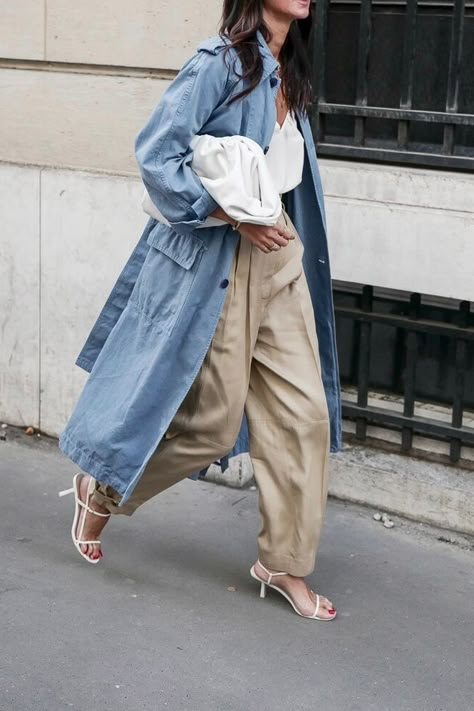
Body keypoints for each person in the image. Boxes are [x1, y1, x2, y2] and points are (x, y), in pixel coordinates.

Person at [58, 0, 342, 621]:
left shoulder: (290, 65)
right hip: (224, 255)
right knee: (211, 424)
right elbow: (158, 154)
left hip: (282, 254)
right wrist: (230, 216)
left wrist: (272, 223)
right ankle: (100, 490)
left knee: (305, 415)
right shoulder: (220, 63)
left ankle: (284, 562)